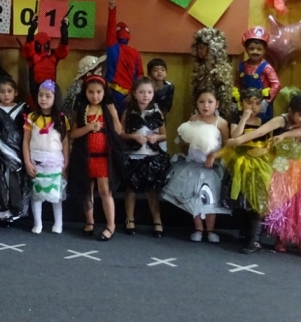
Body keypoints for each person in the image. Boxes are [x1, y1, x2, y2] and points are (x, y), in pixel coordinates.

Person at [226, 93, 301, 252]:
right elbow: (260, 132)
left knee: (296, 204)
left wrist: (286, 134)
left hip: (297, 166)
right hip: (279, 165)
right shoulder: (281, 120)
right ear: (291, 110)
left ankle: (296, 237)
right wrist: (238, 140)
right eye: (300, 115)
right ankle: (257, 240)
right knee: (270, 201)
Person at [161, 90, 230, 243]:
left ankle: (210, 230)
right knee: (194, 196)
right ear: (197, 104)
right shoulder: (193, 119)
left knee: (210, 198)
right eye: (201, 102)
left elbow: (227, 147)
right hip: (193, 165)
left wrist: (213, 155)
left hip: (211, 168)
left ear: (217, 104)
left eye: (210, 102)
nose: (206, 105)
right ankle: (198, 228)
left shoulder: (221, 123)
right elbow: (187, 140)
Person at [218, 88, 273, 253]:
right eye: (249, 103)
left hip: (259, 164)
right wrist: (244, 118)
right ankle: (245, 233)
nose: (253, 107)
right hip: (240, 162)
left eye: (257, 103)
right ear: (241, 103)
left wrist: (264, 150)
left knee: (257, 200)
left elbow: (269, 142)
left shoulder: (264, 121)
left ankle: (255, 240)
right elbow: (235, 136)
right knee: (242, 201)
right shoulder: (236, 119)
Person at [69, 75, 124, 241]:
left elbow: (119, 132)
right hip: (86, 157)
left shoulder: (107, 108)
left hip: (103, 158)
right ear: (85, 92)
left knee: (105, 190)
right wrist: (88, 127)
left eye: (99, 92)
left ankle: (110, 225)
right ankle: (90, 222)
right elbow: (73, 134)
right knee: (87, 190)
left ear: (104, 92)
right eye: (91, 92)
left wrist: (114, 115)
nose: (95, 96)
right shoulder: (81, 110)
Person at [120, 77, 169, 238]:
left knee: (152, 190)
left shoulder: (157, 112)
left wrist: (157, 138)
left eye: (149, 92)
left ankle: (157, 220)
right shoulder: (128, 112)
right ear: (135, 94)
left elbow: (164, 135)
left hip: (151, 155)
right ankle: (129, 218)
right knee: (131, 189)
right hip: (133, 155)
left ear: (153, 93)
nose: (145, 95)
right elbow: (121, 133)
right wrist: (133, 136)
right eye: (141, 92)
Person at [0, 76, 30, 226]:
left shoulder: (23, 109)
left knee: (16, 181)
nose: (6, 94)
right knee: (0, 182)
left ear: (15, 92)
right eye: (2, 92)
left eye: (9, 91)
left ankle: (15, 212)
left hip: (17, 152)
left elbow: (27, 131)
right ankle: (2, 213)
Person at [23, 80, 69, 235]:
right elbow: (26, 141)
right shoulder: (31, 117)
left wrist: (66, 163)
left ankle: (58, 223)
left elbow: (65, 141)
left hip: (55, 161)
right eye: (41, 95)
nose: (43, 99)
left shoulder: (61, 119)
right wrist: (27, 162)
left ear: (56, 98)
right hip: (36, 160)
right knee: (36, 194)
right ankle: (38, 223)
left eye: (48, 96)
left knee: (56, 195)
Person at [104, 0, 143, 115]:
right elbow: (140, 77)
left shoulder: (112, 46)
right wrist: (133, 94)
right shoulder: (135, 53)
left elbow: (110, 29)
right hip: (127, 95)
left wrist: (112, 7)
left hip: (113, 93)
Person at [22, 14, 70, 107]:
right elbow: (28, 48)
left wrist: (64, 33)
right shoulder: (33, 57)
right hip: (35, 95)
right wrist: (31, 30)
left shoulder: (53, 57)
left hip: (50, 94)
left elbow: (63, 50)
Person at [236, 27, 280, 123]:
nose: (255, 51)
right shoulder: (241, 66)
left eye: (259, 49)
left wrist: (266, 101)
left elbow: (276, 84)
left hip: (261, 106)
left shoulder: (267, 67)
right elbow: (238, 83)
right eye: (251, 48)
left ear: (264, 50)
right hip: (245, 105)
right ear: (246, 49)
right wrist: (236, 97)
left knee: (262, 125)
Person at [190, 28, 235, 121]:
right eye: (198, 48)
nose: (199, 51)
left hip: (217, 115)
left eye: (202, 48)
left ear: (213, 49)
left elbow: (224, 99)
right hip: (200, 112)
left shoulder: (221, 71)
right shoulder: (199, 68)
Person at [62, 55, 106, 127]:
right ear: (89, 74)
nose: (100, 75)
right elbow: (73, 114)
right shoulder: (78, 89)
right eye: (98, 72)